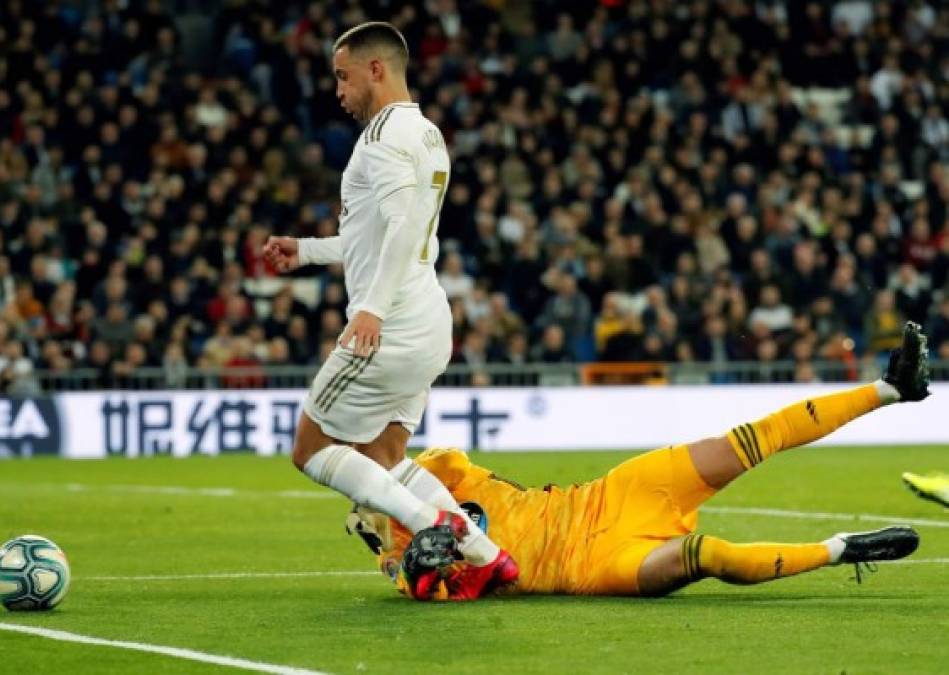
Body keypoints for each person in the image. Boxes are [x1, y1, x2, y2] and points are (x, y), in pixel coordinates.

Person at [350, 323, 930, 600]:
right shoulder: (402, 556)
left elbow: (432, 473)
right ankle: (840, 549)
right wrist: (404, 562)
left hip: (609, 494)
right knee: (708, 557)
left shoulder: (438, 465)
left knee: (750, 440)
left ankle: (890, 388)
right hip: (592, 564)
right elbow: (431, 587)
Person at [263, 21, 516, 600]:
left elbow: (401, 226)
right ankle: (487, 556)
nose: (338, 90)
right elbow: (378, 236)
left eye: (342, 76)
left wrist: (371, 310)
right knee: (383, 456)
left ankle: (438, 528)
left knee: (312, 447)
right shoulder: (426, 133)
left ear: (375, 70)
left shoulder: (380, 140)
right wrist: (305, 251)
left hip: (392, 324)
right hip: (430, 320)